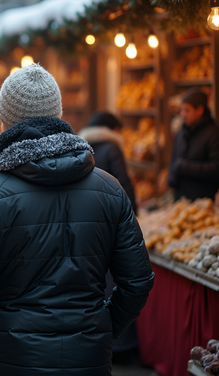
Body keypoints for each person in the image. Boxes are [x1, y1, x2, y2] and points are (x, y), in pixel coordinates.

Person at [0, 64, 154, 376]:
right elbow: (137, 281)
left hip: (12, 357)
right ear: (58, 114)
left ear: (5, 120)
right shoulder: (109, 188)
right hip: (88, 356)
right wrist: (102, 327)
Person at [79, 111, 139, 363]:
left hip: (88, 222)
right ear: (112, 129)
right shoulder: (113, 148)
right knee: (116, 279)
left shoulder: (83, 148)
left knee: (95, 279)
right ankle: (120, 343)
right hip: (112, 223)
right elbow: (123, 188)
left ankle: (96, 338)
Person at [168, 89, 219, 201]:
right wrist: (171, 179)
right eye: (181, 110)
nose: (183, 114)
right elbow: (174, 161)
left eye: (187, 110)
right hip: (181, 202)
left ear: (200, 110)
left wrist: (186, 167)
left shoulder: (214, 134)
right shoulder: (180, 133)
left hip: (204, 203)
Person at [78, 112, 137, 212]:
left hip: (83, 208)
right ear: (114, 129)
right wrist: (133, 210)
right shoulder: (112, 149)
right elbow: (123, 182)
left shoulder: (80, 148)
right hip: (108, 210)